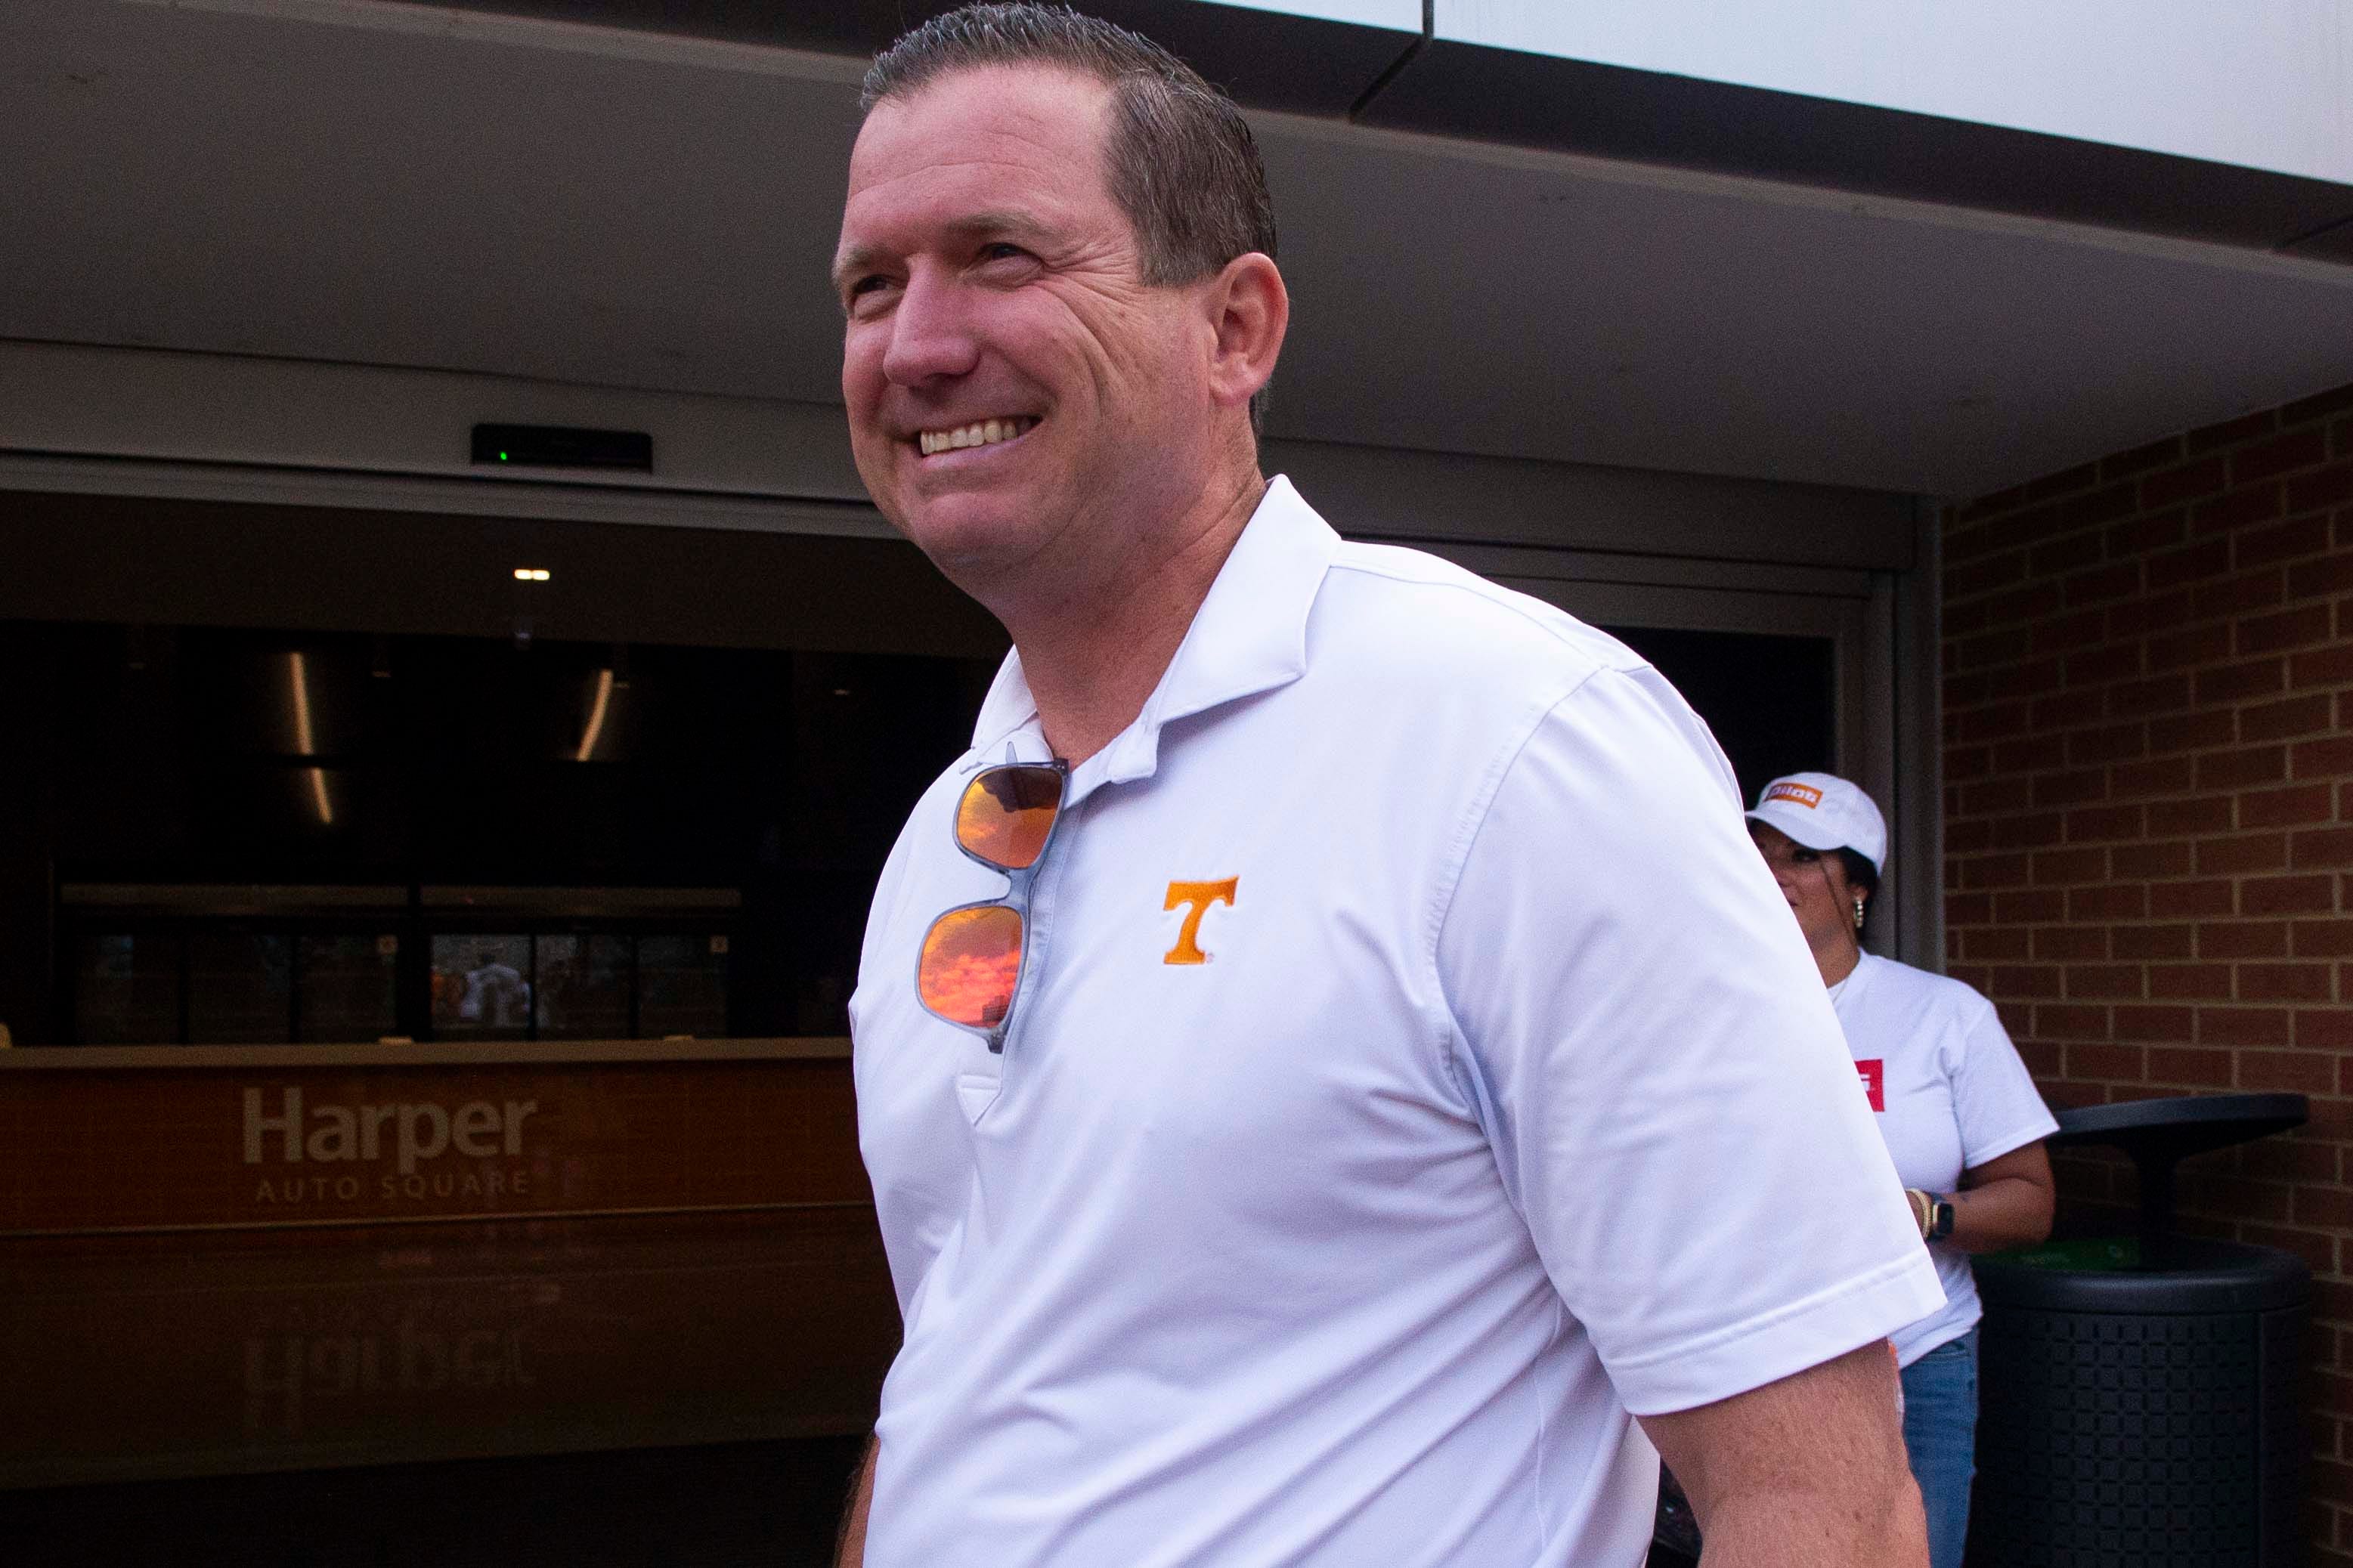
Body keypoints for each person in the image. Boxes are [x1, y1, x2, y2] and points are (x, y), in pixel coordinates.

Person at [831, 7, 1946, 1564]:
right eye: (869, 284)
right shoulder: (943, 832)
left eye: (1000, 255)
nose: (915, 341)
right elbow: (963, 1349)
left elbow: (1818, 1497)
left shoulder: (1513, 741)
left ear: (1232, 329)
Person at [1745, 772, 2057, 1568]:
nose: (1771, 871)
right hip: (1755, 1361)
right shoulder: (1708, 1016)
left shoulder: (1941, 1014)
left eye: (1801, 855)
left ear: (1856, 886)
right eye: (1756, 850)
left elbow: (2028, 1203)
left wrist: (1920, 1211)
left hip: (1915, 1362)